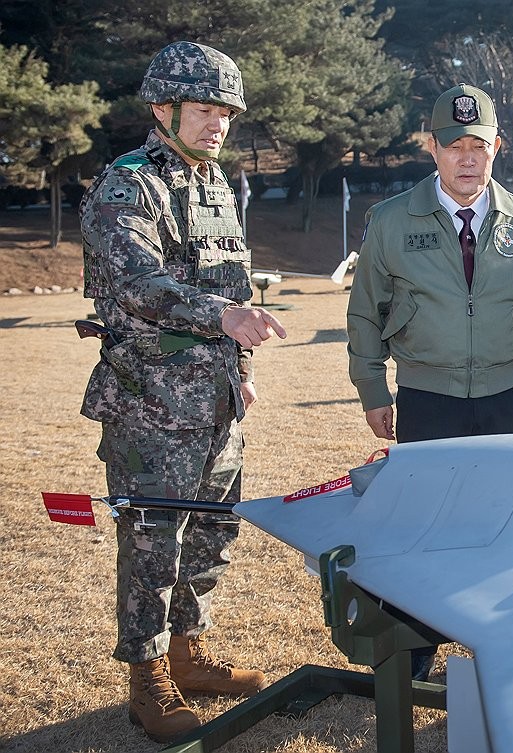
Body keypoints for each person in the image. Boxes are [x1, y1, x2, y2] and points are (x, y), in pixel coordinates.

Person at [79, 41, 286, 743]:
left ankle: (188, 651)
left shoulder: (217, 183)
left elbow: (233, 280)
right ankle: (146, 677)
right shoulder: (126, 186)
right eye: (204, 109)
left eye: (226, 112)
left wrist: (243, 370)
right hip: (152, 407)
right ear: (162, 107)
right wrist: (221, 317)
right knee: (152, 542)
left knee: (212, 535)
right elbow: (139, 285)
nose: (218, 124)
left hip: (217, 402)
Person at [346, 83, 513, 678]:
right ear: (432, 150)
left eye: (478, 144)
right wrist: (372, 388)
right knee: (422, 526)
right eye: (453, 146)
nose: (467, 158)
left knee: (499, 523)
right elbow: (365, 311)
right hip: (427, 396)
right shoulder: (391, 221)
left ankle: (496, 646)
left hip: (503, 396)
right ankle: (413, 651)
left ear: (498, 146)